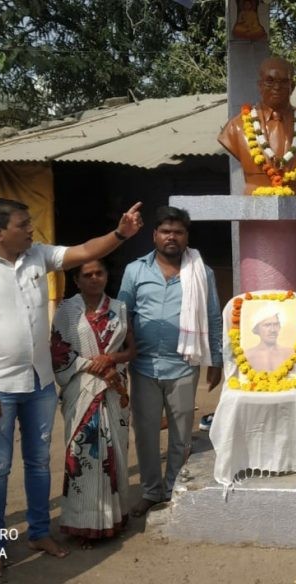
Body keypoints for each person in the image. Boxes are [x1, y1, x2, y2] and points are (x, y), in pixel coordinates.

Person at [0, 197, 143, 579]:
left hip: (39, 383)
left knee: (39, 463)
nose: (30, 228)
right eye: (23, 224)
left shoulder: (38, 256)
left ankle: (39, 533)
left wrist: (121, 233)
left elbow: (87, 250)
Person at [117, 206, 222, 518]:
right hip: (144, 365)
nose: (171, 237)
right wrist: (120, 359)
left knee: (180, 432)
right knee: (147, 433)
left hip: (184, 364)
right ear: (155, 236)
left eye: (178, 232)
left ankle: (174, 487)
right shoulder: (135, 270)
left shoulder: (201, 272)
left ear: (186, 237)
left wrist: (215, 359)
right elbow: (123, 316)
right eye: (165, 231)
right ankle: (151, 491)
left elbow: (213, 316)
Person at [51, 259, 136, 549]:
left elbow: (131, 349)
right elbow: (58, 354)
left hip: (114, 390)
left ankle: (115, 518)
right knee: (82, 455)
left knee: (116, 455)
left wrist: (111, 359)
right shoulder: (65, 311)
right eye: (87, 275)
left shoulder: (119, 308)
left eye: (99, 272)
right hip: (81, 389)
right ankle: (83, 524)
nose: (94, 278)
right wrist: (93, 364)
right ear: (76, 280)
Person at [218, 56, 296, 195]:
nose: (277, 87)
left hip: (294, 206)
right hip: (254, 206)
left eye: (284, 81)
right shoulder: (236, 128)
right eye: (270, 81)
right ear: (260, 85)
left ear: (292, 86)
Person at [243, 307, 294, 371]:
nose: (272, 330)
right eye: (267, 325)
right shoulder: (247, 355)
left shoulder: (290, 353)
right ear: (257, 329)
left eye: (276, 324)